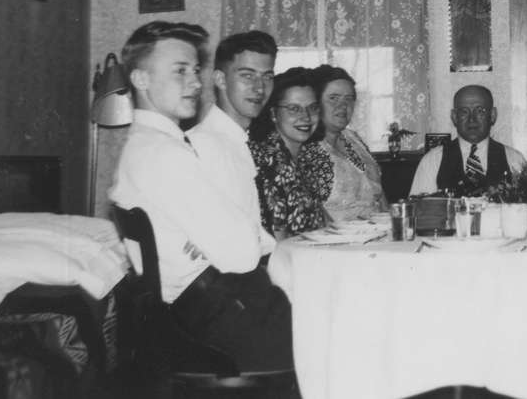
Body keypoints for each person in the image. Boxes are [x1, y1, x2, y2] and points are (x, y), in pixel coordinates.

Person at [108, 21, 293, 372]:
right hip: (220, 312)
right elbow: (241, 255)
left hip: (203, 305)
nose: (195, 82)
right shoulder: (163, 155)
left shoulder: (150, 145)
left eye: (195, 70)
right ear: (140, 78)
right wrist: (227, 238)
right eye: (180, 71)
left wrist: (217, 239)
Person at [187, 30, 277, 258]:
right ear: (220, 80)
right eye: (247, 76)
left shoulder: (236, 141)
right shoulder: (204, 145)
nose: (260, 88)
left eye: (267, 76)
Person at [250, 67, 334, 238]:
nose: (306, 117)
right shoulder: (268, 162)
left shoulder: (307, 159)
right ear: (273, 113)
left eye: (312, 108)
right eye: (294, 109)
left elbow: (323, 221)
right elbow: (278, 239)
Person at [409, 85, 527, 196]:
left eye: (480, 110)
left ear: (492, 115)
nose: (472, 119)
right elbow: (421, 212)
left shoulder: (514, 160)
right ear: (454, 117)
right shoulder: (432, 162)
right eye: (464, 111)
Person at [309, 64, 388, 221]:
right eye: (333, 98)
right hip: (335, 239)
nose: (343, 106)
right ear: (316, 102)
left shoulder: (354, 140)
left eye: (349, 99)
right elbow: (312, 209)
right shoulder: (307, 147)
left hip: (377, 235)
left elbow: (379, 194)